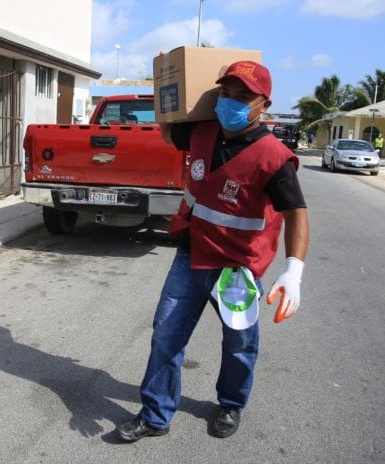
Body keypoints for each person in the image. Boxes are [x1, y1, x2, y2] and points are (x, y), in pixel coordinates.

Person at [116, 61, 309, 442]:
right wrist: (166, 80)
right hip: (190, 258)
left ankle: (231, 404)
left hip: (236, 270)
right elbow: (168, 130)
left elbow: (296, 214)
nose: (230, 102)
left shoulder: (273, 157)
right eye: (225, 93)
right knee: (166, 337)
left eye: (242, 97)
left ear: (263, 105)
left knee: (239, 345)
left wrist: (294, 271)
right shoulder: (202, 133)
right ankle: (156, 414)